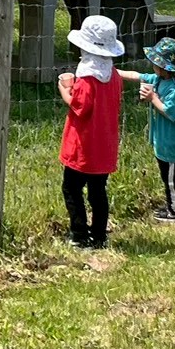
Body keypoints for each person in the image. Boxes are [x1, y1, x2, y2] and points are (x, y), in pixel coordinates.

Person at [57, 14, 126, 249]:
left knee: (72, 188)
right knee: (98, 191)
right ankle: (99, 236)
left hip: (83, 146)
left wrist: (64, 89)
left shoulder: (87, 79)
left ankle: (79, 234)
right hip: (104, 145)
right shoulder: (114, 76)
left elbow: (80, 107)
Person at [134, 38, 175, 223]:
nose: (152, 64)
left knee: (171, 181)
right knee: (167, 178)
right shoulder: (159, 80)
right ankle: (171, 206)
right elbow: (137, 76)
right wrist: (114, 72)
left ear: (165, 68)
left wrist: (153, 98)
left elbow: (170, 112)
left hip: (173, 146)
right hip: (164, 144)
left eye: (155, 62)